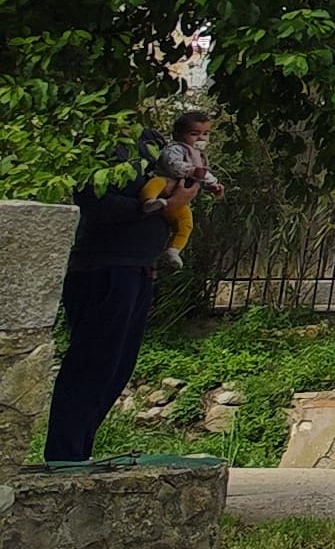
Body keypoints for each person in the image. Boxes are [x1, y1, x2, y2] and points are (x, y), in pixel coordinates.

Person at [42, 109, 222, 464]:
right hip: (106, 266)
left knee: (117, 367)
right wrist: (163, 206)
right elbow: (95, 202)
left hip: (141, 266)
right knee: (92, 363)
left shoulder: (154, 142)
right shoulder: (101, 143)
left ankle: (79, 452)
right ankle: (65, 456)